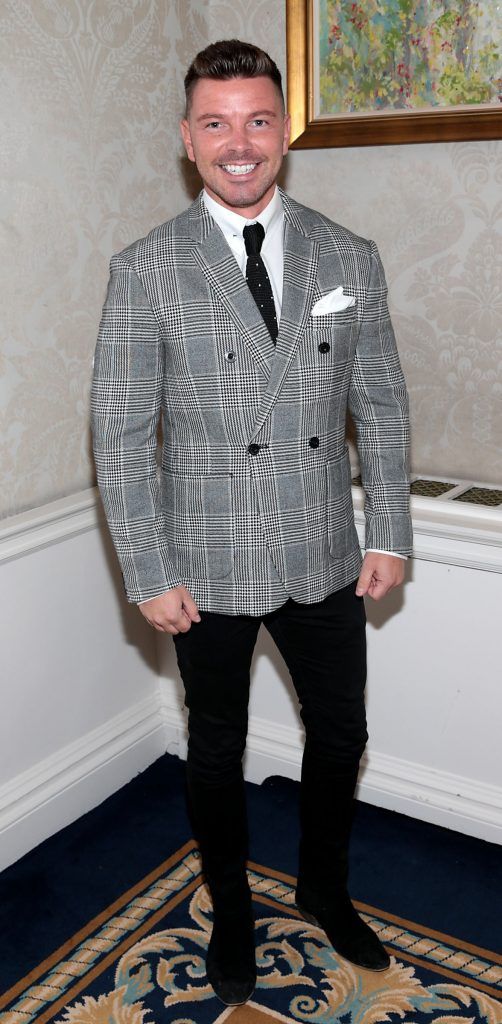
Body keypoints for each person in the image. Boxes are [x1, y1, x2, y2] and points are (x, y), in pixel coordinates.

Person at [91, 39, 412, 1007]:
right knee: (217, 748)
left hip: (322, 552)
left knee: (341, 729)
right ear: (188, 140)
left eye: (258, 120)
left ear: (284, 132)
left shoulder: (345, 252)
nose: (241, 144)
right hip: (204, 560)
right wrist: (145, 567)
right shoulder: (145, 267)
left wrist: (388, 530)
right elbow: (118, 432)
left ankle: (321, 884)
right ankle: (229, 905)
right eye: (217, 124)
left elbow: (384, 406)